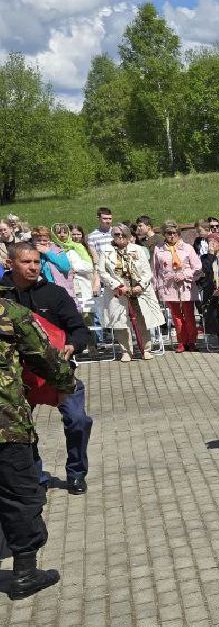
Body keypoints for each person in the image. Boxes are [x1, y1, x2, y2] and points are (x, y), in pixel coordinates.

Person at [1, 243, 93, 494]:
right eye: (26, 262)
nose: (33, 267)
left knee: (78, 421)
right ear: (10, 263)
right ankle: (36, 477)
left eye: (36, 261)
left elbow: (79, 329)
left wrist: (73, 345)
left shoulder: (54, 294)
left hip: (58, 373)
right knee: (20, 432)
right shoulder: (2, 298)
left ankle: (76, 472)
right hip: (17, 379)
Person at [0, 299, 75, 599]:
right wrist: (65, 386)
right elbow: (46, 358)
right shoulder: (9, 312)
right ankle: (25, 573)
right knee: (20, 496)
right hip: (6, 424)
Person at [97, 224, 164, 361]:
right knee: (121, 322)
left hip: (138, 291)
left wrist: (141, 285)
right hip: (118, 291)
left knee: (142, 320)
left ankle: (146, 349)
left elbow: (147, 271)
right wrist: (117, 285)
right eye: (117, 235)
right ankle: (126, 351)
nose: (120, 237)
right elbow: (102, 272)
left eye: (123, 235)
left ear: (129, 236)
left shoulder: (138, 249)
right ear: (113, 236)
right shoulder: (105, 250)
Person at [151, 220, 201, 352]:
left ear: (179, 234)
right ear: (164, 234)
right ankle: (181, 341)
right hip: (168, 287)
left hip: (186, 286)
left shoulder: (187, 248)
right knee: (176, 316)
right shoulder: (158, 249)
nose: (172, 236)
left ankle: (192, 341)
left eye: (174, 233)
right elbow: (155, 270)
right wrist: (155, 288)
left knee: (189, 315)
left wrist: (184, 274)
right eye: (168, 233)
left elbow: (197, 267)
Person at [30, 227, 75, 302]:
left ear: (49, 240)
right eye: (38, 240)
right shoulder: (30, 253)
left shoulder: (57, 251)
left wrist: (48, 253)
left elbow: (65, 268)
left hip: (60, 288)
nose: (42, 243)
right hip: (40, 290)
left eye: (45, 240)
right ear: (33, 241)